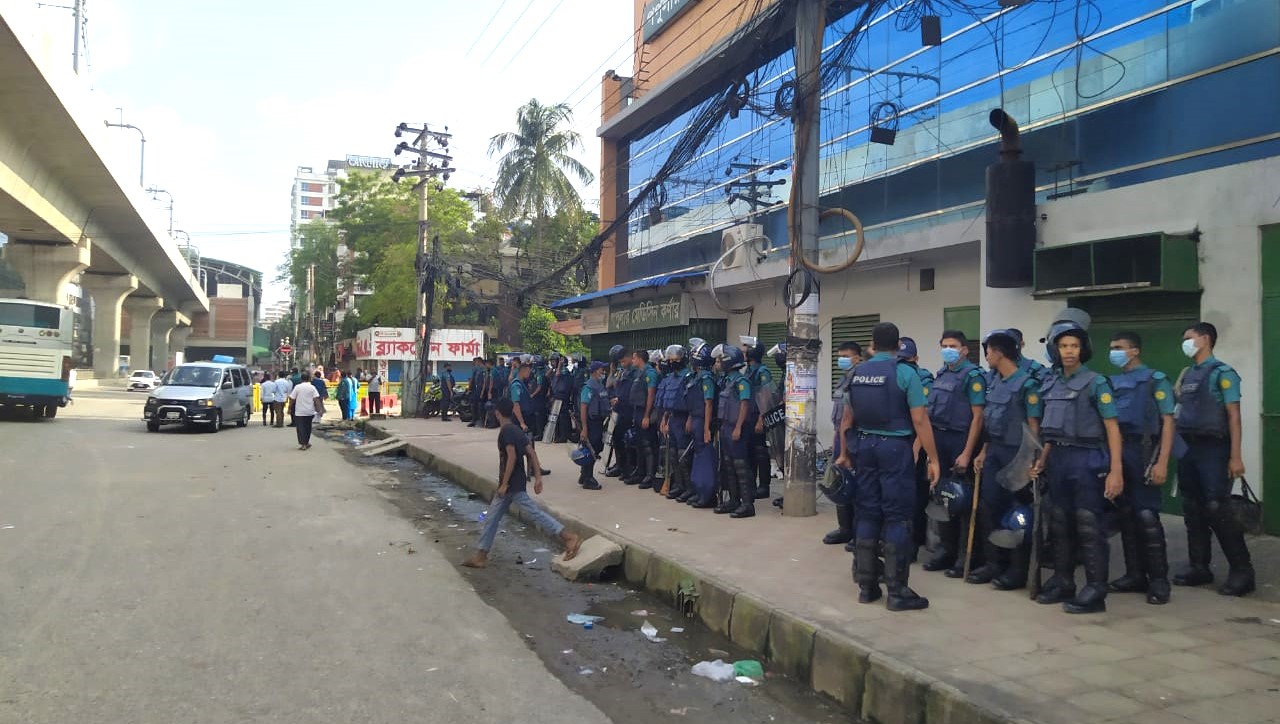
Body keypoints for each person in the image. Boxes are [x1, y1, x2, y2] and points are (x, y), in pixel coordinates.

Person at [837, 322, 940, 612]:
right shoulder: (906, 373)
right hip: (895, 449)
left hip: (864, 447)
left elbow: (846, 420)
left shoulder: (856, 373)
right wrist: (933, 459)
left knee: (868, 512)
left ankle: (867, 587)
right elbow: (920, 421)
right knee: (897, 517)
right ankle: (897, 591)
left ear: (872, 344)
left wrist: (845, 454)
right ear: (897, 346)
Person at [1030, 321, 1124, 614]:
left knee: (1088, 525)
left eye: (1074, 346)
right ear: (1056, 350)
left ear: (1083, 349)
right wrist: (1042, 460)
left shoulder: (1097, 382)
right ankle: (1063, 581)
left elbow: (1112, 428)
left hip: (1087, 460)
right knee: (1059, 523)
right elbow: (1050, 429)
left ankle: (1096, 590)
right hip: (1058, 459)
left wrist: (1116, 470)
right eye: (1063, 346)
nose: (1069, 351)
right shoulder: (1052, 382)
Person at [1173, 322, 1253, 597]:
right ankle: (1199, 566)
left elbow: (1234, 416)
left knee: (1218, 508)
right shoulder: (1187, 374)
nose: (1185, 343)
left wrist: (1236, 456)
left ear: (1205, 339)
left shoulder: (1223, 373)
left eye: (1189, 338)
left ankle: (1242, 571)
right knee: (1192, 508)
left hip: (1214, 449)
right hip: (1188, 447)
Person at [462, 398, 582, 568]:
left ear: (497, 413)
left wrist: (504, 484)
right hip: (513, 484)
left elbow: (511, 457)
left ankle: (568, 536)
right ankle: (481, 555)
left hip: (511, 485)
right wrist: (538, 477)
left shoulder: (506, 432)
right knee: (492, 518)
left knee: (533, 514)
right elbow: (531, 453)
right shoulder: (517, 430)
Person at [1105, 331, 1175, 605]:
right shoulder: (1111, 382)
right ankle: (1134, 575)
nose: (1114, 352)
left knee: (1147, 516)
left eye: (1119, 347)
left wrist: (1162, 462)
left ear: (1134, 351)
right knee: (1125, 515)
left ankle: (1159, 580)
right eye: (1112, 347)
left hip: (1145, 451)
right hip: (1120, 451)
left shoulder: (1155, 380)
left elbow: (1168, 421)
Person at [972, 330, 1042, 591]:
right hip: (995, 452)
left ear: (999, 352)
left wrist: (1033, 460)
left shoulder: (1028, 384)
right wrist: (983, 451)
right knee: (989, 508)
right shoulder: (995, 382)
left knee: (1018, 515)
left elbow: (1034, 426)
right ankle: (994, 563)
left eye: (988, 351)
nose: (987, 356)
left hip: (1018, 454)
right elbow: (991, 422)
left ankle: (1017, 570)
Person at [920, 331, 988, 580]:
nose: (948, 349)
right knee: (942, 497)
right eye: (944, 345)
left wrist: (968, 453)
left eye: (953, 346)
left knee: (964, 502)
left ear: (964, 349)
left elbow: (978, 417)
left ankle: (965, 555)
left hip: (961, 440)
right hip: (940, 440)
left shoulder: (973, 376)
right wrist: (931, 455)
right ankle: (945, 551)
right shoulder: (941, 375)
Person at [897, 337, 937, 561]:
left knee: (914, 498)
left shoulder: (923, 379)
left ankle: (913, 544)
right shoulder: (893, 375)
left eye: (908, 359)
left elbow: (924, 417)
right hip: (898, 441)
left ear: (916, 359)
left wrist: (916, 447)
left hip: (916, 442)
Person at [824, 341, 863, 546]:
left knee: (855, 487)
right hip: (840, 440)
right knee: (840, 484)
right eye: (840, 356)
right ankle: (844, 528)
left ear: (857, 357)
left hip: (853, 441)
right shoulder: (843, 380)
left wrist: (845, 451)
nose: (842, 360)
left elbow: (850, 420)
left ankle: (858, 533)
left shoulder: (859, 381)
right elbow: (838, 419)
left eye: (846, 356)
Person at [712, 344, 757, 518]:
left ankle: (747, 504)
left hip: (738, 427)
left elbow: (745, 405)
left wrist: (738, 427)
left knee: (740, 465)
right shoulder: (726, 380)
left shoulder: (741, 381)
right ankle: (733, 500)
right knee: (728, 465)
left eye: (719, 360)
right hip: (726, 427)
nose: (716, 363)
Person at [742, 337, 776, 501]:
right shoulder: (748, 370)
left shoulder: (762, 371)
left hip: (758, 416)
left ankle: (764, 486)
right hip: (748, 417)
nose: (743, 351)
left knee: (760, 452)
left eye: (746, 348)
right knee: (749, 452)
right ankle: (752, 485)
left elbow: (767, 397)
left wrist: (761, 420)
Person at [657, 345, 690, 498]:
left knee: (684, 456)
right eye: (670, 359)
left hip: (684, 418)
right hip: (673, 418)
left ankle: (688, 488)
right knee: (672, 454)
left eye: (675, 359)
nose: (672, 362)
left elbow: (692, 402)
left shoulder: (688, 376)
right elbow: (669, 401)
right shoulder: (671, 378)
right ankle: (678, 485)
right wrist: (665, 419)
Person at [626, 349, 662, 489]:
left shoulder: (650, 373)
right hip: (638, 411)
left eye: (634, 358)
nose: (632, 360)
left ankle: (649, 475)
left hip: (647, 412)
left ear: (640, 359)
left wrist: (647, 416)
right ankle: (640, 472)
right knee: (639, 443)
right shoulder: (639, 373)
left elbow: (651, 395)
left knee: (648, 444)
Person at [509, 359, 550, 477]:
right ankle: (525, 469)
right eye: (528, 371)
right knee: (523, 446)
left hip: (527, 417)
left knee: (530, 445)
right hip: (521, 419)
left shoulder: (522, 383)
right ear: (524, 371)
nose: (530, 374)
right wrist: (522, 423)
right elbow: (516, 405)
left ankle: (534, 467)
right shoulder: (516, 385)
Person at [577, 361, 610, 491]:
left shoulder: (599, 385)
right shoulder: (589, 387)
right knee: (591, 450)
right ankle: (588, 479)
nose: (603, 371)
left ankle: (584, 474)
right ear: (596, 370)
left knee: (596, 448)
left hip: (598, 422)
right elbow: (583, 408)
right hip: (591, 423)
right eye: (602, 369)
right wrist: (584, 428)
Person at [288, 372, 323, 450]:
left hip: (299, 412)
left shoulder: (297, 387)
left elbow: (292, 399)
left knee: (300, 428)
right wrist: (320, 409)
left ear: (301, 379)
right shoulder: (312, 387)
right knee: (308, 428)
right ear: (309, 379)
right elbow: (316, 399)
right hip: (310, 411)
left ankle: (303, 444)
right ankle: (306, 443)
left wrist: (289, 408)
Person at [468, 357, 486, 427]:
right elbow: (472, 379)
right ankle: (474, 420)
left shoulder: (483, 369)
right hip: (476, 388)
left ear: (479, 361)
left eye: (475, 362)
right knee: (474, 404)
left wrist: (482, 391)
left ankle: (480, 420)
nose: (475, 363)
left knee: (480, 405)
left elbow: (484, 381)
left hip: (481, 389)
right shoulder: (477, 369)